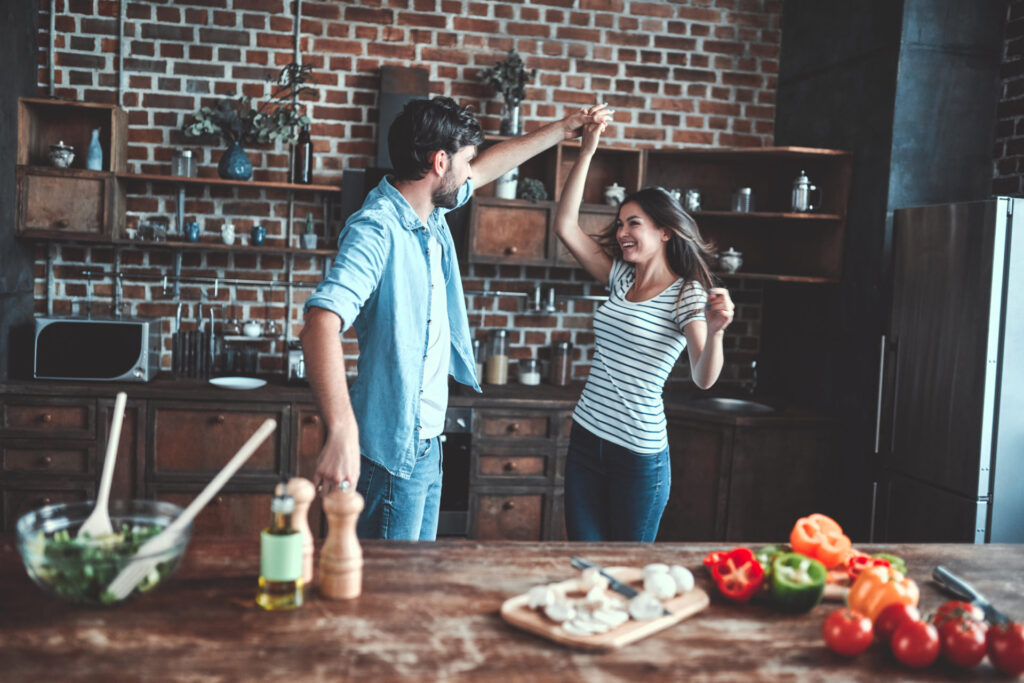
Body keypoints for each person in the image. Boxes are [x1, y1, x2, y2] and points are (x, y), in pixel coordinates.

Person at [300, 96, 605, 540]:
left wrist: (565, 128)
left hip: (426, 447)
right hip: (388, 454)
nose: (470, 172)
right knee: (391, 599)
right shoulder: (377, 228)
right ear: (439, 162)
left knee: (417, 586)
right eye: (464, 161)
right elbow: (320, 322)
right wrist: (342, 431)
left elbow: (486, 171)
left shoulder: (431, 211)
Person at [552, 104, 735, 542]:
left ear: (665, 231)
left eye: (634, 223)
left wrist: (717, 331)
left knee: (627, 573)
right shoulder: (620, 275)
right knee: (585, 568)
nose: (621, 233)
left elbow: (704, 378)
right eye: (619, 224)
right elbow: (564, 225)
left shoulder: (686, 293)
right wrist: (588, 149)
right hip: (586, 438)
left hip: (637, 455)